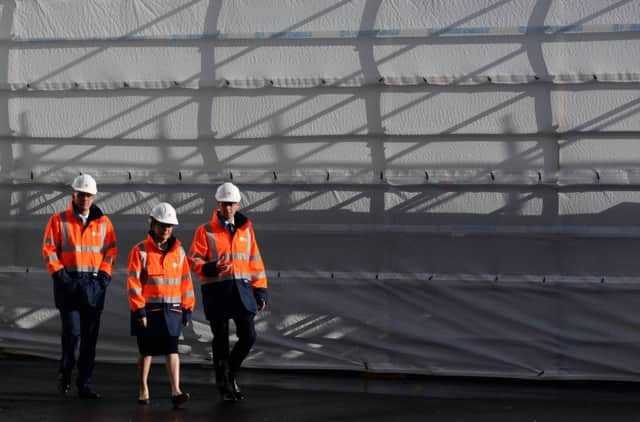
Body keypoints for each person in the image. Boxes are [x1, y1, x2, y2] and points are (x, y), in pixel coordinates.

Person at [188, 182, 268, 401]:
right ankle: (225, 387)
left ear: (238, 204)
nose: (228, 208)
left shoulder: (246, 230)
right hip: (217, 291)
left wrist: (260, 291)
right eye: (225, 204)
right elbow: (194, 260)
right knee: (221, 341)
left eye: (232, 204)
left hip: (242, 291)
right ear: (218, 204)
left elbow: (255, 261)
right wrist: (210, 267)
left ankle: (228, 374)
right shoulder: (205, 231)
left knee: (249, 336)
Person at [42, 174, 118, 399]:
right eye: (80, 194)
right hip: (69, 286)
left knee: (89, 339)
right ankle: (65, 371)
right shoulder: (58, 220)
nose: (84, 198)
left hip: (93, 287)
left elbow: (111, 251)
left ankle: (84, 383)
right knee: (72, 334)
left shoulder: (104, 223)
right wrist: (63, 278)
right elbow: (49, 250)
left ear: (94, 196)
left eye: (88, 195)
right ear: (73, 195)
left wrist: (103, 278)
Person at [126, 202, 195, 408]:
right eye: (162, 225)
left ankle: (176, 391)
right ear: (152, 224)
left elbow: (186, 282)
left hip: (172, 310)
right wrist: (139, 309)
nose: (166, 229)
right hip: (147, 310)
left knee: (172, 349)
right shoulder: (140, 251)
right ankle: (143, 388)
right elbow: (133, 282)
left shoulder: (179, 252)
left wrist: (188, 308)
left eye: (169, 226)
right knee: (146, 351)